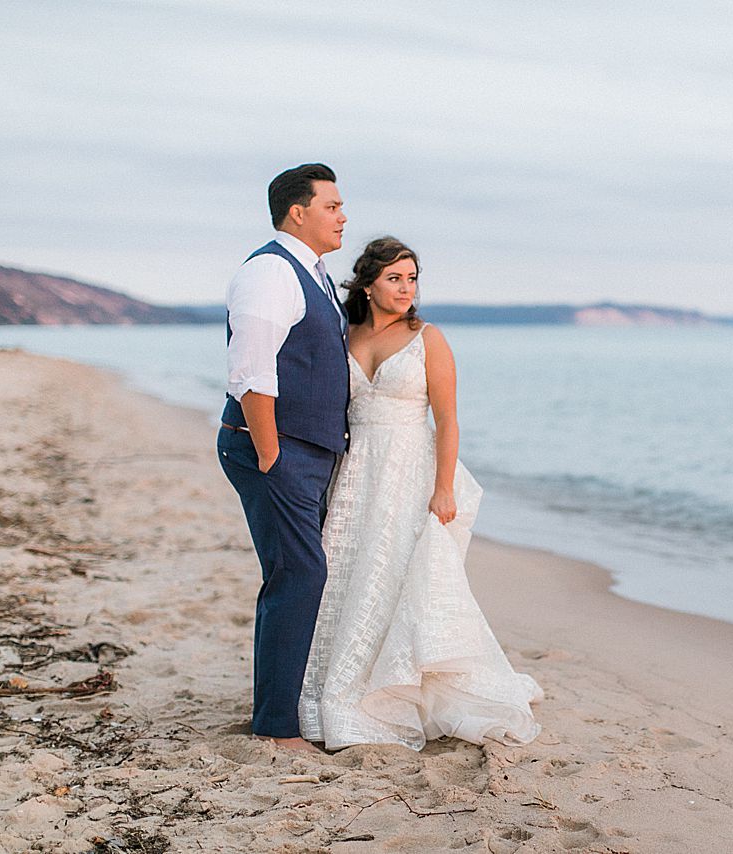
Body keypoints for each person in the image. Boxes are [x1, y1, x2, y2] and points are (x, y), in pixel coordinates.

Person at [298, 237, 542, 750]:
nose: (406, 288)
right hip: (356, 470)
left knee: (398, 575)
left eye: (412, 278)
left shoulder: (427, 337)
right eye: (395, 278)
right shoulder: (345, 334)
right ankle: (340, 682)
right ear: (367, 285)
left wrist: (444, 488)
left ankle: (399, 688)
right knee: (345, 572)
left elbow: (448, 418)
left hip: (410, 468)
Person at [217, 164, 349, 752]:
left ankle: (278, 709)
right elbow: (251, 370)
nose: (343, 216)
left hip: (302, 451)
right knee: (301, 574)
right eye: (332, 206)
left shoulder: (317, 276)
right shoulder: (272, 270)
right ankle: (275, 726)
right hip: (276, 450)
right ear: (298, 212)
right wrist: (271, 456)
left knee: (291, 575)